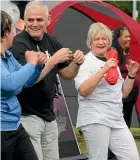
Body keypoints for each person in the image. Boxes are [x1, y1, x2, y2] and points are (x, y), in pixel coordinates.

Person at [9, 1, 84, 160]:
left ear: (48, 20)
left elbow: (67, 74)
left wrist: (77, 63)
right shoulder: (18, 44)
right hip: (26, 117)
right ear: (24, 20)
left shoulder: (52, 41)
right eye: (30, 20)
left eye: (39, 20)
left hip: (49, 117)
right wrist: (53, 60)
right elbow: (27, 80)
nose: (34, 24)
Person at [74, 22, 140, 160]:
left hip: (116, 117)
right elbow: (83, 90)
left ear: (109, 42)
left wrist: (131, 75)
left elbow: (123, 93)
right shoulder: (86, 61)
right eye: (96, 39)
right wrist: (104, 69)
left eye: (104, 39)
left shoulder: (112, 61)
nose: (100, 42)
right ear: (90, 42)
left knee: (132, 157)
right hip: (95, 117)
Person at [0, 11, 47, 160]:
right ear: (5, 33)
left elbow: (25, 81)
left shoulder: (8, 55)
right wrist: (31, 63)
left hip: (15, 126)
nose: (15, 33)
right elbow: (9, 83)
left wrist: (37, 66)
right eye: (14, 30)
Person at [112, 26, 140, 128]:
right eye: (126, 37)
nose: (129, 39)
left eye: (129, 37)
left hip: (133, 92)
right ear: (118, 38)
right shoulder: (114, 53)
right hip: (123, 91)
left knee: (127, 118)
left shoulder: (126, 52)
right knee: (122, 118)